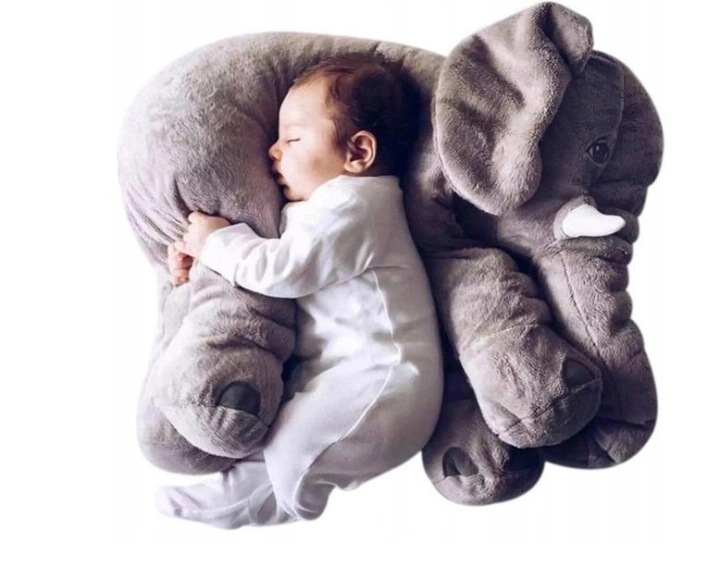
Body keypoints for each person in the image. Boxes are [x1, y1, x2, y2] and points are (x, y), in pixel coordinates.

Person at [159, 54, 443, 528]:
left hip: (384, 383)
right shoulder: (323, 207)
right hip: (341, 375)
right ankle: (231, 499)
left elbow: (283, 269)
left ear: (358, 152)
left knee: (294, 451)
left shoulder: (358, 204)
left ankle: (290, 506)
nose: (273, 151)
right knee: (278, 438)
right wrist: (200, 265)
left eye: (292, 138)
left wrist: (216, 241)